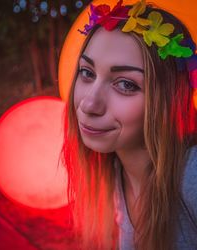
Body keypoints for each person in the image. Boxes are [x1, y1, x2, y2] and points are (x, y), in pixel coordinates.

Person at [61, 0, 197, 249]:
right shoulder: (116, 171)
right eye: (87, 73)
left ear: (168, 101)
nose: (90, 104)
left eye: (126, 84)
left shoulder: (191, 174)